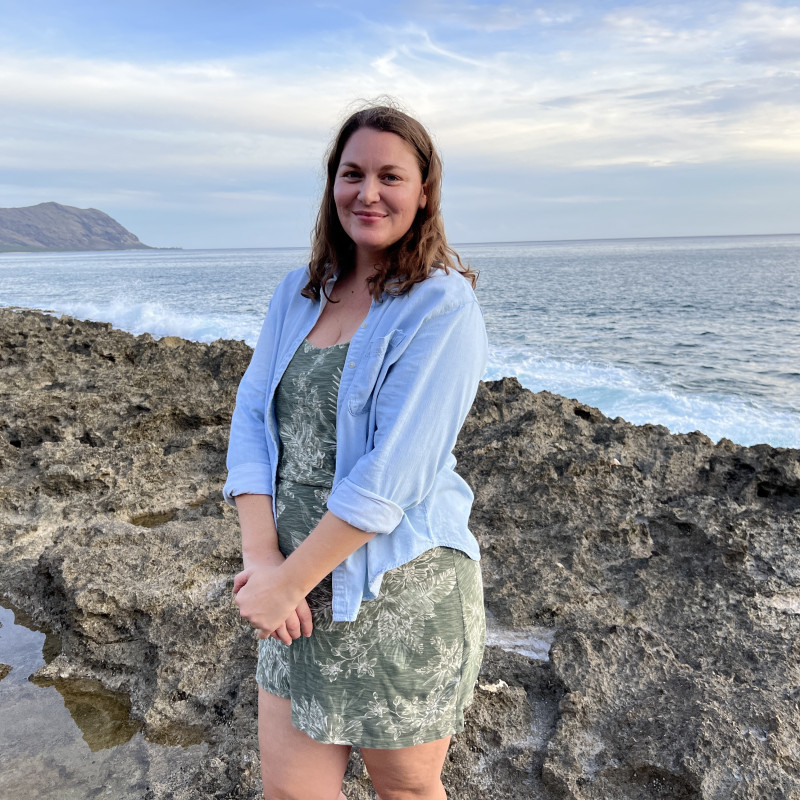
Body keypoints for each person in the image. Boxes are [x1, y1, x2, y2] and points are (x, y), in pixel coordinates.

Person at [224, 103, 488, 800]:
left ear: (424, 191)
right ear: (332, 185)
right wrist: (263, 562)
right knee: (290, 792)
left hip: (397, 592)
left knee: (404, 791)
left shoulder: (441, 305)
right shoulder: (299, 291)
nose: (368, 193)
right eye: (352, 173)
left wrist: (286, 582)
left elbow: (390, 476)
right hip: (294, 596)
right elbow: (253, 415)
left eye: (390, 176)